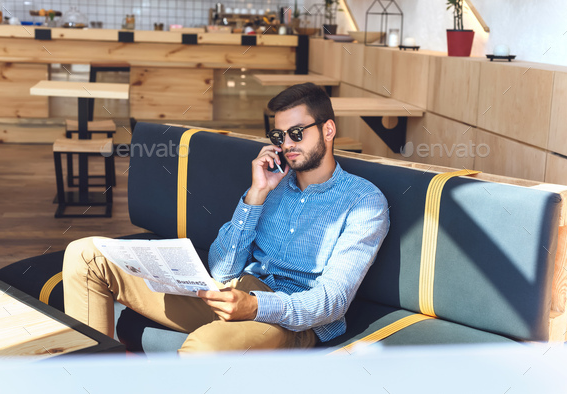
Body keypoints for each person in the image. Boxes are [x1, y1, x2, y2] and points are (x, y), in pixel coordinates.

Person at [62, 82, 390, 353]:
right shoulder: (271, 184)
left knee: (205, 351)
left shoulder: (364, 202)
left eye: (297, 133)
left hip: (292, 318)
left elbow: (333, 302)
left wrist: (257, 306)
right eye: (279, 136)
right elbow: (222, 269)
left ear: (328, 129)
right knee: (85, 254)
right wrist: (255, 195)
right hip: (231, 294)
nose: (287, 144)